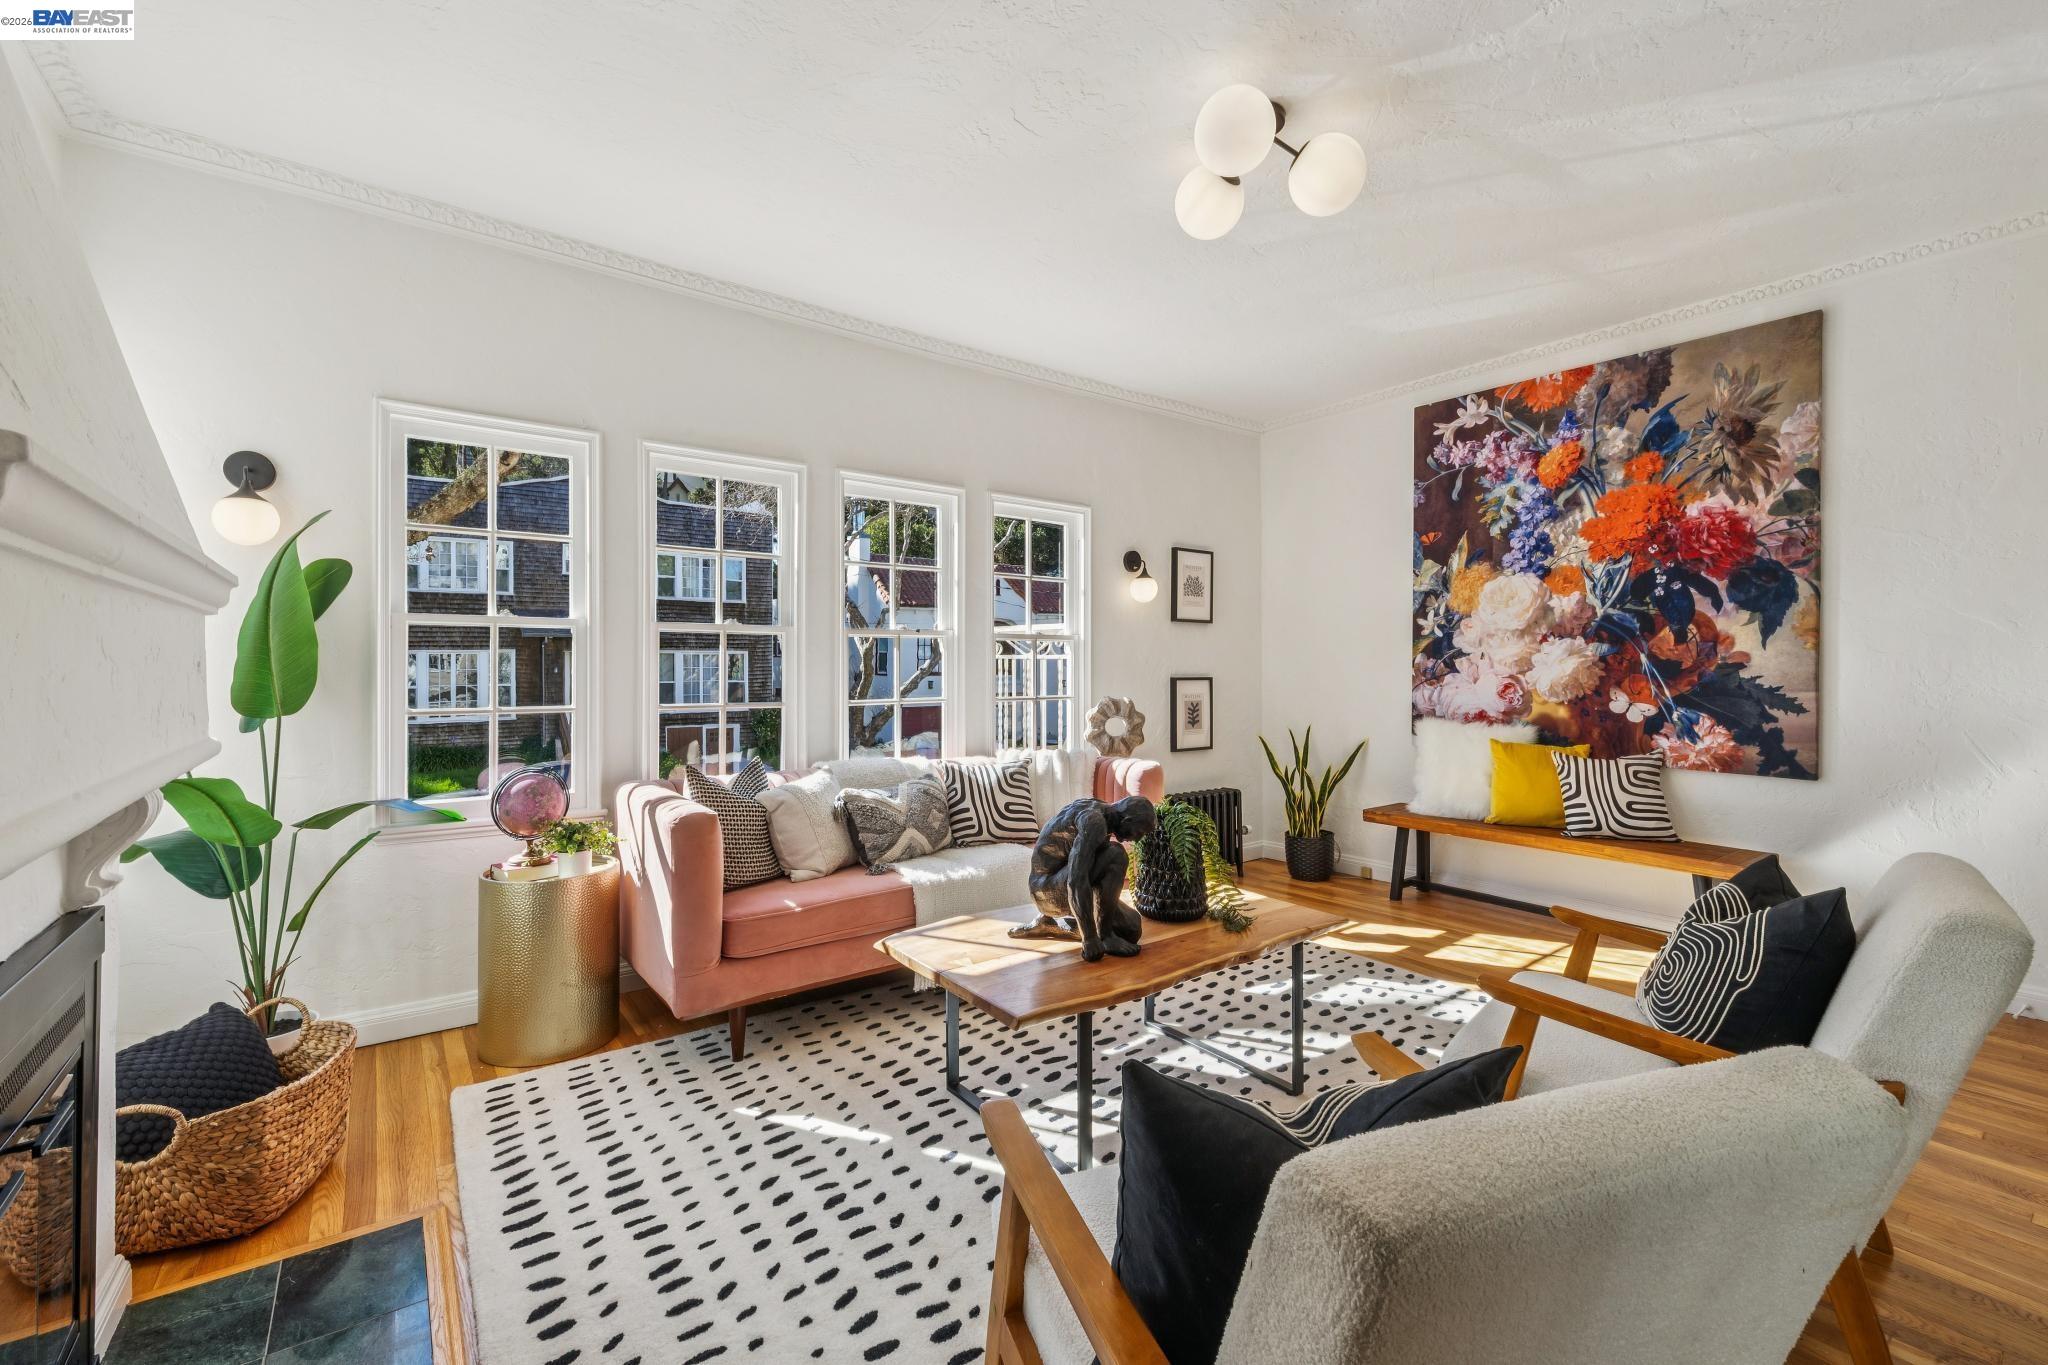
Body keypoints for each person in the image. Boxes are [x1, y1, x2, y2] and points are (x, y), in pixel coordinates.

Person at [1013, 795, 1157, 961]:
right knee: (1116, 854)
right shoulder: (1094, 822)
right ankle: (1105, 936)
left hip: (1060, 880)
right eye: (1139, 832)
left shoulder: (1103, 811)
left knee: (1131, 928)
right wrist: (1090, 939)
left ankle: (1055, 926)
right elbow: (1076, 880)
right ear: (1127, 820)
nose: (1137, 839)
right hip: (1046, 889)